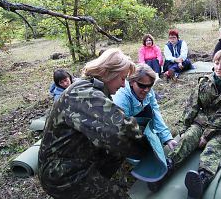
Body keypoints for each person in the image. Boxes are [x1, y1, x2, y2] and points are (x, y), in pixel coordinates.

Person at [38, 48, 150, 199]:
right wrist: (147, 148)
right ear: (109, 73)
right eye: (122, 78)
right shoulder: (85, 94)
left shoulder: (89, 88)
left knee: (116, 153)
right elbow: (120, 132)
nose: (124, 85)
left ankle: (101, 181)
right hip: (62, 174)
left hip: (74, 158)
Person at [152, 49, 221, 197]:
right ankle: (165, 170)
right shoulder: (205, 81)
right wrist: (184, 127)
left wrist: (206, 136)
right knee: (187, 139)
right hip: (201, 122)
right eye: (217, 63)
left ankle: (202, 180)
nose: (219, 67)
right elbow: (192, 105)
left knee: (213, 150)